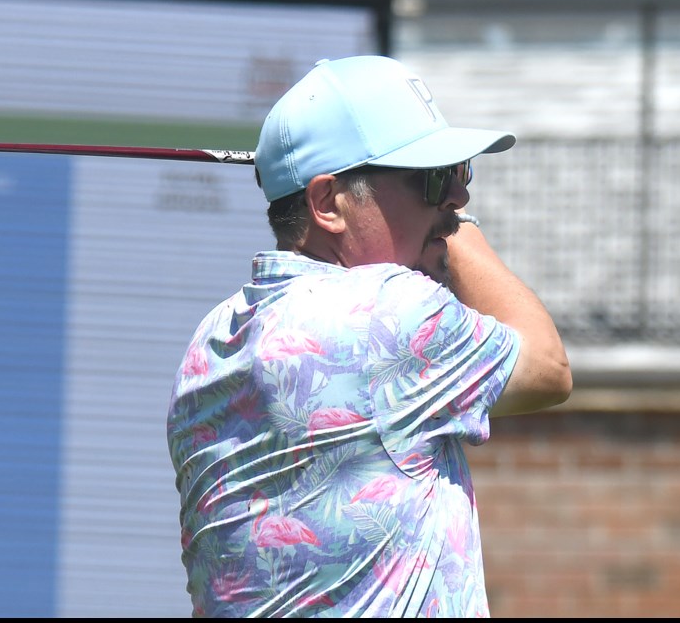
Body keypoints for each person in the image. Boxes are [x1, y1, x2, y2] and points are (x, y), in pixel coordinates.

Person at [166, 55, 572, 618]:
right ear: (329, 204)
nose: (458, 198)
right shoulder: (391, 310)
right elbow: (549, 367)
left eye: (461, 173)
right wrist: (456, 232)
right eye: (432, 178)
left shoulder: (210, 343)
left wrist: (430, 208)